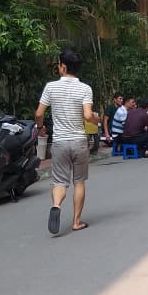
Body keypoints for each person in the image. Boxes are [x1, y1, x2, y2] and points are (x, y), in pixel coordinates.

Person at [36, 48, 98, 235]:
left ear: (63, 67)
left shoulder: (50, 87)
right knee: (79, 182)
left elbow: (39, 113)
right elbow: (87, 115)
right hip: (79, 141)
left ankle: (56, 205)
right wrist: (95, 118)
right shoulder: (85, 88)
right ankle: (76, 222)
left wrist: (40, 127)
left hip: (60, 142)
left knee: (59, 182)